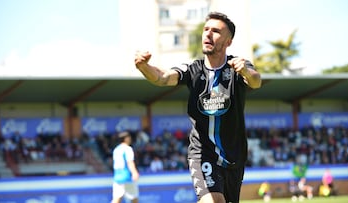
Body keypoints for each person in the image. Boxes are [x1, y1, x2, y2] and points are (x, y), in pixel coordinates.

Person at [135, 11, 261, 203]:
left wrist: (245, 70)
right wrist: (144, 67)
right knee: (213, 201)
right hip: (202, 153)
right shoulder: (192, 70)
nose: (208, 34)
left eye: (216, 31)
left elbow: (255, 81)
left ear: (228, 41)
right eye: (206, 29)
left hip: (234, 156)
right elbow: (163, 78)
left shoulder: (237, 67)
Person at [112, 131, 140, 203]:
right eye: (129, 137)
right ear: (126, 138)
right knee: (134, 198)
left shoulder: (116, 149)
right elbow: (129, 162)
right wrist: (134, 172)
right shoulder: (127, 149)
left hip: (117, 176)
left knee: (117, 198)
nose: (130, 139)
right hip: (126, 176)